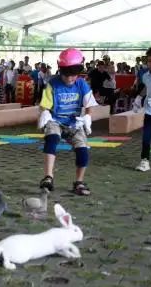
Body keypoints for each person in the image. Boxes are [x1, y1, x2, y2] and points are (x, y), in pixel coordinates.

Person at [38, 48, 96, 196]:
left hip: (74, 123)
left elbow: (89, 105)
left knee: (83, 149)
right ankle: (48, 177)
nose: (70, 79)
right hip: (56, 120)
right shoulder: (53, 84)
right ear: (60, 70)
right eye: (66, 75)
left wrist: (88, 117)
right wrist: (44, 112)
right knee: (51, 140)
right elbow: (45, 104)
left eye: (73, 75)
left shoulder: (82, 84)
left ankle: (79, 182)